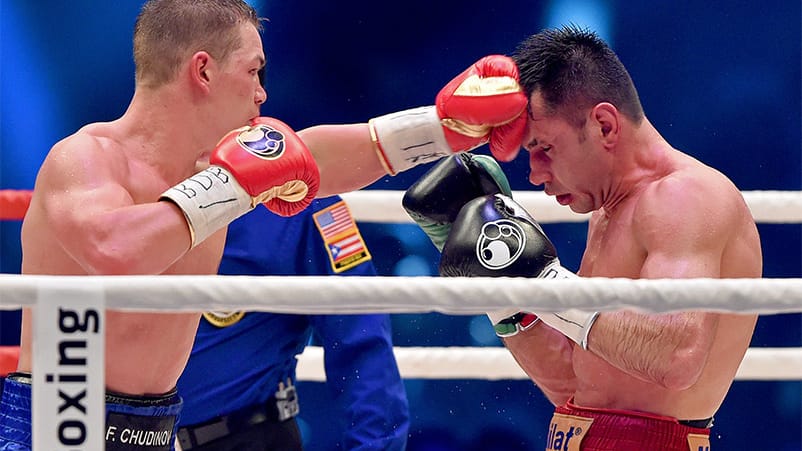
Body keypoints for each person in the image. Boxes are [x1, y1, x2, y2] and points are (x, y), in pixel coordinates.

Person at [0, 0, 526, 449]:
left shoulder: (210, 170)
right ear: (202, 71)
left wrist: (445, 129)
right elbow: (114, 250)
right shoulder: (86, 159)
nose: (262, 94)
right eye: (253, 71)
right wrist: (233, 185)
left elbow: (336, 152)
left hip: (154, 428)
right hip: (61, 423)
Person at [404, 25, 762, 450]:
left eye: (545, 149)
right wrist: (503, 291)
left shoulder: (684, 197)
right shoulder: (608, 213)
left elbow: (675, 357)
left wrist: (541, 281)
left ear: (605, 126)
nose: (535, 174)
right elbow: (576, 384)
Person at [174, 196, 409, 451]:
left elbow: (362, 337)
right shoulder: (134, 184)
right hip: (133, 431)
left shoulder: (301, 197)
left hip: (243, 437)